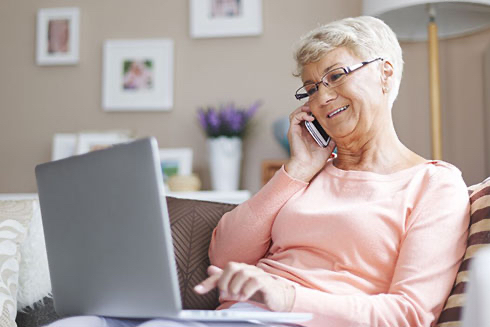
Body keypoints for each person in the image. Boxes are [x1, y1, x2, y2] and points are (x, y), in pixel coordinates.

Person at [193, 16, 470, 327]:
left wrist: (287, 298)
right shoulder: (304, 174)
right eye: (311, 88)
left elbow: (409, 314)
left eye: (336, 76)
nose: (322, 98)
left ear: (385, 73)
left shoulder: (435, 185)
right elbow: (224, 257)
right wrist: (296, 170)